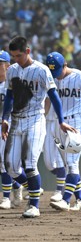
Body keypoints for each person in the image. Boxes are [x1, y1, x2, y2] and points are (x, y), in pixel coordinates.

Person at [2, 36, 75, 218]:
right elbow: (10, 97)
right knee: (10, 166)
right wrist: (4, 119)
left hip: (35, 119)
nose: (15, 60)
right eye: (12, 56)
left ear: (27, 51)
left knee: (30, 164)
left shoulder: (42, 70)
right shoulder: (12, 71)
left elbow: (54, 96)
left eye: (18, 55)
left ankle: (33, 205)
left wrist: (61, 120)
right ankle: (34, 188)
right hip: (16, 120)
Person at [46, 52, 81, 211]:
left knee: (72, 163)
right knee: (68, 164)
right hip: (57, 124)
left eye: (58, 70)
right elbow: (47, 102)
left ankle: (66, 200)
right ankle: (80, 198)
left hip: (75, 124)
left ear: (65, 65)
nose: (56, 75)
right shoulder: (50, 77)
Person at [0, 50, 23, 210]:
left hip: (10, 125)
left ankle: (6, 197)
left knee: (5, 161)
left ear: (7, 66)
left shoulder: (15, 83)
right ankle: (16, 185)